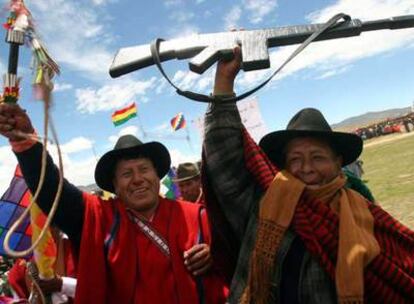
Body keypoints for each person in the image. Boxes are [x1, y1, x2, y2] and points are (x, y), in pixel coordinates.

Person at [203, 47, 414, 303]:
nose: (306, 168)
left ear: (338, 162)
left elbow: (396, 270)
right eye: (296, 159)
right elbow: (224, 155)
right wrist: (224, 81)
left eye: (317, 157)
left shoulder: (363, 212)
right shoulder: (264, 199)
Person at [0, 102, 228, 303]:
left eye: (144, 169)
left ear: (157, 175)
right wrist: (25, 139)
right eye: (127, 174)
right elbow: (52, 190)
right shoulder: (100, 218)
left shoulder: (198, 216)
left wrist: (214, 255)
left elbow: (237, 259)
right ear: (115, 187)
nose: (138, 179)